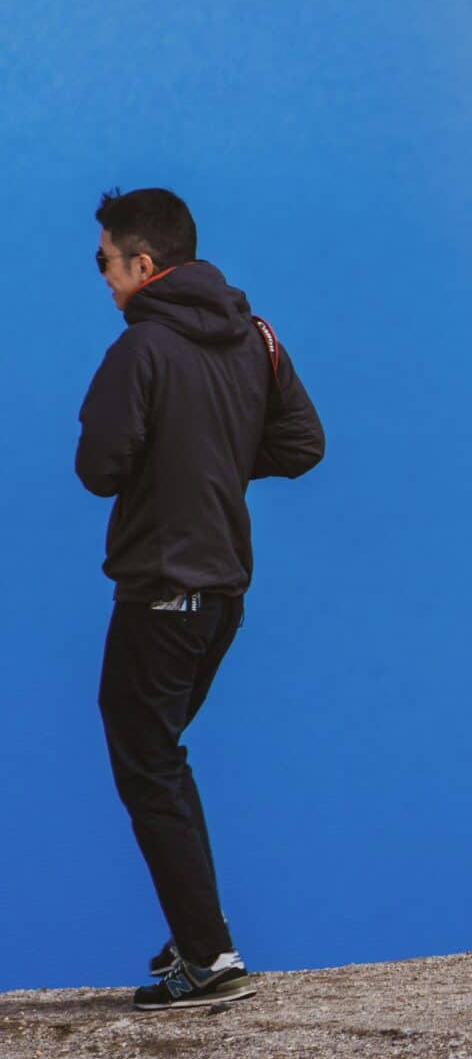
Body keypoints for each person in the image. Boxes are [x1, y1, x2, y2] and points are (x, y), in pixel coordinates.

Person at [76, 188, 325, 1010]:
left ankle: (208, 954)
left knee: (147, 763)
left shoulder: (142, 348)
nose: (104, 280)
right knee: (160, 756)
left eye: (106, 263)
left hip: (160, 592)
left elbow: (100, 467)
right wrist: (208, 456)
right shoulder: (256, 338)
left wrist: (182, 456)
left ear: (144, 265)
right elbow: (302, 443)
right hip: (221, 597)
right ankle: (195, 927)